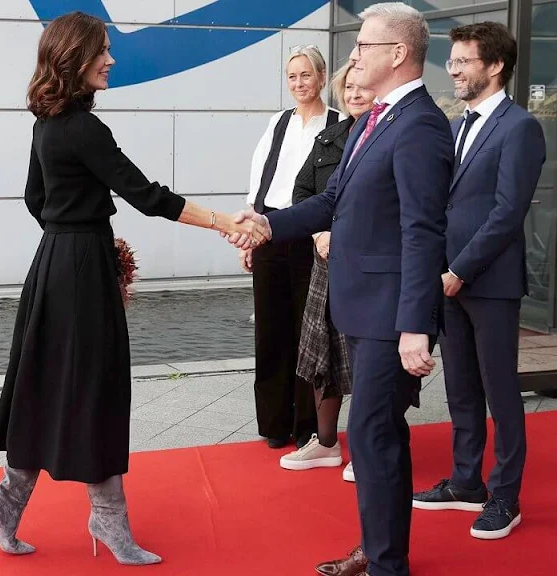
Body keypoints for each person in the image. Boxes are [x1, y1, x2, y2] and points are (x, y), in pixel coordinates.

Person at [0, 11, 264, 565]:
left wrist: (68, 234)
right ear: (73, 58)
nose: (111, 59)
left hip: (53, 264)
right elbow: (146, 195)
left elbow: (35, 199)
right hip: (80, 270)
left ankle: (10, 501)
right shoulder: (84, 128)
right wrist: (226, 222)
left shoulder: (47, 123)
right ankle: (104, 522)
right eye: (102, 51)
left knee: (44, 382)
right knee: (96, 388)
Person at [227, 4, 453, 575]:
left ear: (398, 54)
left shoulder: (421, 125)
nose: (352, 57)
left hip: (389, 315)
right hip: (360, 306)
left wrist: (415, 325)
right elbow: (333, 202)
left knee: (373, 434)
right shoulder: (372, 121)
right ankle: (383, 552)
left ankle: (384, 563)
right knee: (378, 436)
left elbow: (423, 231)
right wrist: (267, 224)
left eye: (363, 47)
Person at [412, 22, 546, 541]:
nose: (453, 69)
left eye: (464, 61)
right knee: (461, 389)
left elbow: (508, 213)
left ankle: (505, 497)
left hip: (486, 283)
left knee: (500, 392)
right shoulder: (454, 125)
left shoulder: (520, 127)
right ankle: (466, 482)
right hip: (447, 279)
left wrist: (459, 270)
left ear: (494, 66)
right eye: (452, 60)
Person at [277, 59, 376, 483]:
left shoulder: (389, 135)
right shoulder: (331, 137)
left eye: (362, 88)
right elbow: (304, 192)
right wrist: (319, 231)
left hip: (368, 264)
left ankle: (370, 448)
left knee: (368, 358)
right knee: (323, 353)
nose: (354, 95)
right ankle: (326, 442)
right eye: (348, 89)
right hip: (326, 260)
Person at [243, 45, 345, 450]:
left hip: (313, 237)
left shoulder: (339, 124)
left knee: (310, 333)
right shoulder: (278, 122)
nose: (299, 83)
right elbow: (259, 177)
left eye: (306, 74)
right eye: (292, 76)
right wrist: (251, 230)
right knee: (270, 329)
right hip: (270, 230)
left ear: (322, 77)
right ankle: (274, 423)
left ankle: (307, 425)